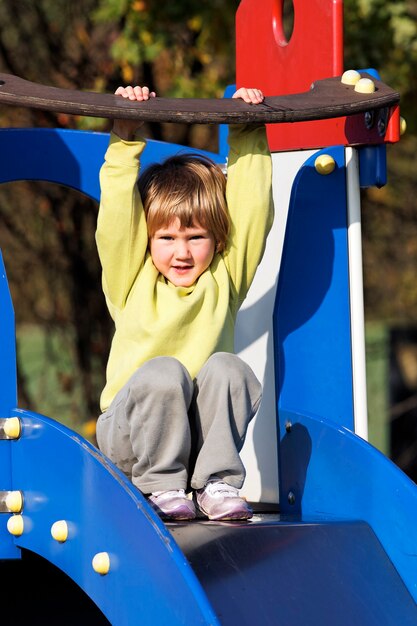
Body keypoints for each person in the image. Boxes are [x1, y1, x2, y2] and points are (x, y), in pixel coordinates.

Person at [96, 84, 273, 521]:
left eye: (196, 237)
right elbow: (118, 219)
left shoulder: (225, 279)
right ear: (149, 240)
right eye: (167, 238)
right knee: (164, 371)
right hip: (131, 438)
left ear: (217, 240)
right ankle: (159, 487)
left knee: (230, 368)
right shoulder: (131, 280)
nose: (182, 252)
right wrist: (124, 136)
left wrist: (246, 129)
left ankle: (216, 484)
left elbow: (251, 209)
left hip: (195, 446)